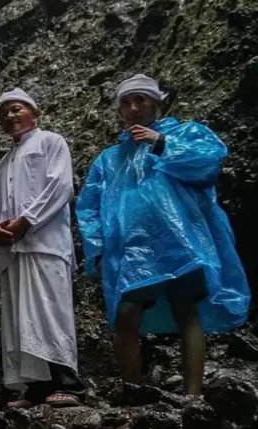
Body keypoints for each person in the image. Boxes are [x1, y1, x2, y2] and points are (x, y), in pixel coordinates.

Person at [76, 74, 250, 396]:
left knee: (187, 309)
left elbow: (208, 166)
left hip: (182, 243)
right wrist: (97, 249)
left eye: (140, 100)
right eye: (126, 103)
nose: (132, 108)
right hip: (134, 251)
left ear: (156, 103)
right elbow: (90, 207)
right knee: (126, 314)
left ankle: (193, 396)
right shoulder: (109, 159)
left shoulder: (185, 134)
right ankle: (132, 394)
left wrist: (161, 143)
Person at [0, 88, 84, 408]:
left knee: (51, 311)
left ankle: (69, 383)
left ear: (34, 114)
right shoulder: (1, 165)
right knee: (22, 319)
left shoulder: (52, 142)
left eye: (16, 109)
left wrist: (28, 220)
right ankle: (37, 388)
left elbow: (61, 186)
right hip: (14, 251)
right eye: (4, 114)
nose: (10, 116)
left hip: (45, 243)